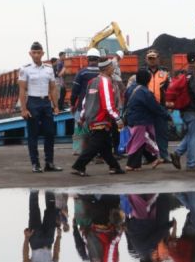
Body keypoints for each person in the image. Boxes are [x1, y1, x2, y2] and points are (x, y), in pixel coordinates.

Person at [71, 58, 125, 176]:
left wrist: (82, 116)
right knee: (95, 145)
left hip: (92, 117)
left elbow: (85, 101)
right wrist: (118, 118)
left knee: (105, 146)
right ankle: (78, 166)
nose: (113, 68)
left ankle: (114, 166)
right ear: (107, 68)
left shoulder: (92, 82)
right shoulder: (105, 82)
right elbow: (108, 104)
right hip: (101, 118)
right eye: (112, 66)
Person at [18, 42, 62, 173]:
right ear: (30, 53)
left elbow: (53, 88)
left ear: (42, 53)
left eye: (39, 53)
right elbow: (21, 89)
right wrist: (24, 109)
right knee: (33, 135)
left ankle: (49, 163)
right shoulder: (25, 69)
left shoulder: (49, 69)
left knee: (49, 133)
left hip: (46, 103)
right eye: (34, 52)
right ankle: (35, 164)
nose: (36, 55)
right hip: (32, 103)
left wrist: (56, 106)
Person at [23, 190, 61, 262]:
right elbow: (56, 254)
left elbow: (25, 256)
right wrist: (59, 237)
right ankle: (50, 190)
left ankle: (33, 190)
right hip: (49, 241)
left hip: (36, 242)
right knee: (51, 211)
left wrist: (26, 238)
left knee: (34, 211)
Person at [124, 69, 166, 171]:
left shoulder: (130, 89)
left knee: (143, 140)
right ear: (148, 79)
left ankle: (152, 159)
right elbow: (154, 106)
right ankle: (131, 164)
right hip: (142, 120)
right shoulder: (145, 92)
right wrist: (166, 115)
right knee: (138, 142)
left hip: (131, 118)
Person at [69, 48, 102, 156]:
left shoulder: (82, 73)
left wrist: (72, 104)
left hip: (82, 107)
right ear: (98, 59)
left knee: (80, 129)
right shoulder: (102, 73)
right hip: (99, 108)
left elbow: (74, 91)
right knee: (97, 132)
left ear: (87, 59)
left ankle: (79, 151)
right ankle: (97, 152)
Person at [144, 49, 172, 163]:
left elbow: (170, 90)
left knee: (162, 132)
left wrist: (170, 105)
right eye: (149, 58)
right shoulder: (142, 73)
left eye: (154, 58)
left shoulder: (165, 73)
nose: (152, 60)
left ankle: (164, 155)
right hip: (146, 108)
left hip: (161, 107)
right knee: (146, 134)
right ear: (146, 59)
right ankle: (148, 157)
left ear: (158, 59)